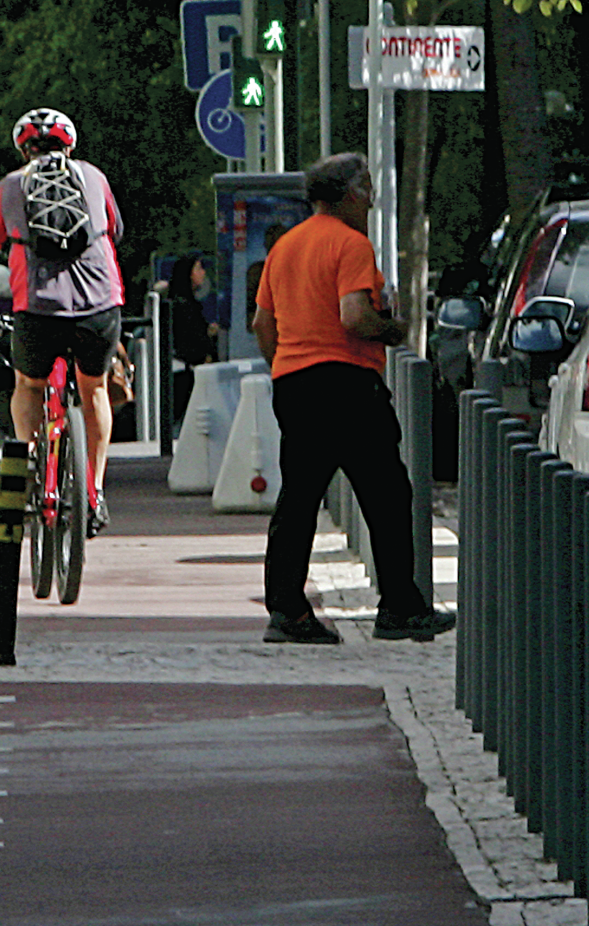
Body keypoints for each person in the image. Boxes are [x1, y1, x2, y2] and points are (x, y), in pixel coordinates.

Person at [252, 153, 457, 645]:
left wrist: (284, 363)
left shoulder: (285, 247)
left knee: (298, 498)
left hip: (295, 382)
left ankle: (287, 611)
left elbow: (263, 323)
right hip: (346, 382)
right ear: (348, 194)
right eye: (366, 188)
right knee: (388, 494)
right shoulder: (350, 245)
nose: (371, 198)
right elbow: (353, 316)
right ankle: (400, 607)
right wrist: (392, 329)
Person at [0, 107, 123, 534]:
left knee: (28, 385)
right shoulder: (94, 177)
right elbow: (116, 229)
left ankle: (35, 469)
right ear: (69, 145)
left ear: (23, 149)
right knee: (95, 389)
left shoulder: (11, 186)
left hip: (36, 310)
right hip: (100, 305)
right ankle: (95, 490)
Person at [167, 252, 219, 425]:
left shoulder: (183, 303)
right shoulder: (184, 306)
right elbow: (191, 341)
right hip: (185, 376)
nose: (203, 272)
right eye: (199, 268)